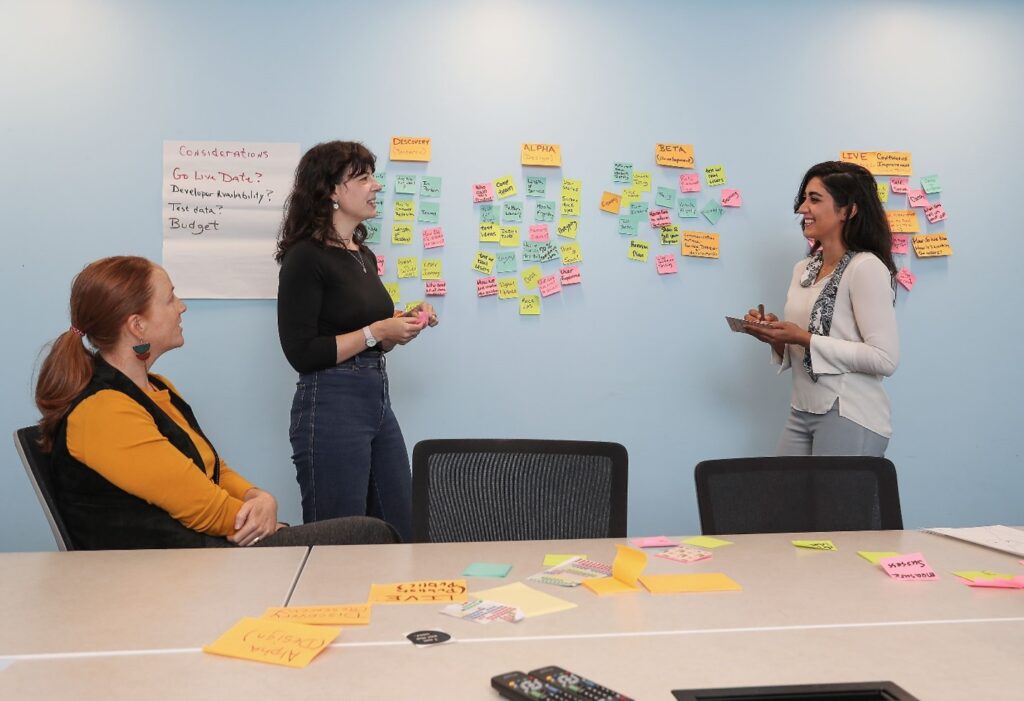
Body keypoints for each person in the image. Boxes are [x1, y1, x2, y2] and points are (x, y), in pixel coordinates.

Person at [35, 256, 398, 550]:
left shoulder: (157, 388)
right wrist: (262, 522)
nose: (182, 307)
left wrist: (260, 497)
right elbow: (204, 509)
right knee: (369, 536)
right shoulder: (104, 412)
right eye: (170, 299)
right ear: (137, 326)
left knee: (365, 536)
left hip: (207, 552)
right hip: (170, 572)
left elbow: (212, 470)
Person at [275, 141, 437, 541]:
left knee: (400, 527)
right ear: (331, 190)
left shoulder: (360, 253)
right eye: (363, 178)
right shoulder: (305, 258)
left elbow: (368, 336)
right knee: (340, 539)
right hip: (329, 401)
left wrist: (399, 326)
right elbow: (302, 352)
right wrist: (376, 332)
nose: (375, 186)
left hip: (375, 397)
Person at [743, 161, 899, 456]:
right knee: (781, 498)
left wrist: (804, 338)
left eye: (814, 199)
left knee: (835, 504)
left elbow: (885, 359)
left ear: (848, 210)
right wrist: (777, 338)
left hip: (850, 413)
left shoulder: (865, 268)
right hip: (802, 408)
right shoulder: (803, 269)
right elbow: (807, 344)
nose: (803, 209)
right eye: (804, 198)